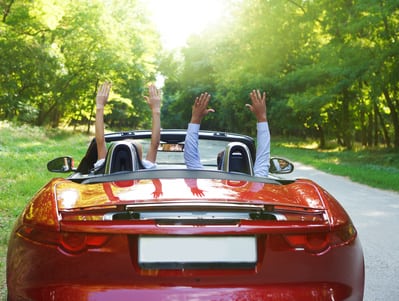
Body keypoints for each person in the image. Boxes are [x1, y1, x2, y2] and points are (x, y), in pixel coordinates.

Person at [184, 90, 270, 177]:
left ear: (221, 166)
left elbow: (191, 158)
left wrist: (196, 118)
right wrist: (261, 117)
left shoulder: (203, 179)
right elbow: (264, 154)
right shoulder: (258, 184)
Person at [93, 82, 161, 171]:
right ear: (138, 157)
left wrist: (100, 106)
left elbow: (100, 142)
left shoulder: (104, 167)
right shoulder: (145, 167)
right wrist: (156, 109)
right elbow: (154, 144)